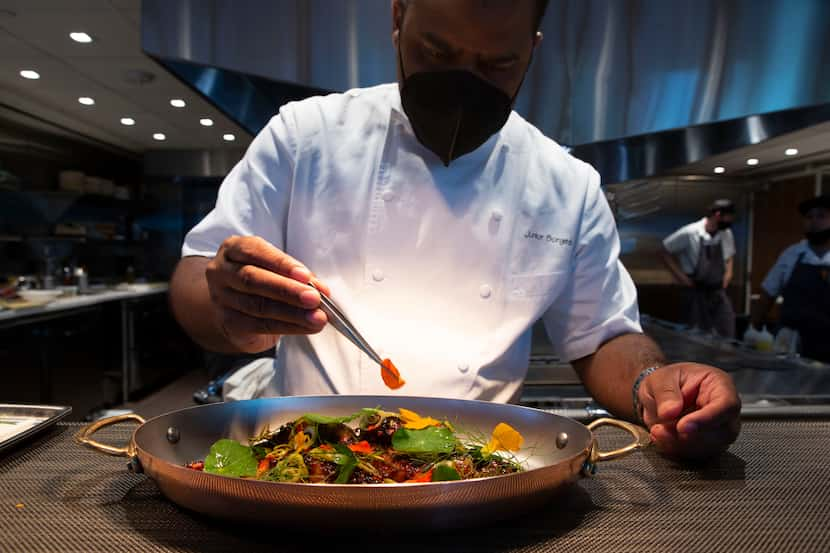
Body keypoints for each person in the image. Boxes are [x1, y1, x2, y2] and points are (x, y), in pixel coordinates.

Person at [169, 0, 740, 460]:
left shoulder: (566, 185)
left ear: (531, 53)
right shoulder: (305, 138)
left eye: (497, 66)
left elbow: (604, 337)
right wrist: (229, 307)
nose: (463, 85)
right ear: (398, 17)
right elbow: (194, 275)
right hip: (312, 463)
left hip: (476, 472)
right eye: (436, 51)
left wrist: (655, 384)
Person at [748, 194, 830, 362]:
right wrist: (754, 329)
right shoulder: (791, 254)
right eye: (809, 217)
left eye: (821, 216)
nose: (814, 222)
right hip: (791, 341)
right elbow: (768, 294)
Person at [660, 199, 737, 338]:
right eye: (729, 217)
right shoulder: (690, 232)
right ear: (718, 215)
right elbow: (664, 251)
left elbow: (730, 255)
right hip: (695, 291)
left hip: (717, 291)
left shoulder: (726, 233)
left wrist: (729, 273)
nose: (731, 220)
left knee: (726, 331)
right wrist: (681, 277)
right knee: (694, 337)